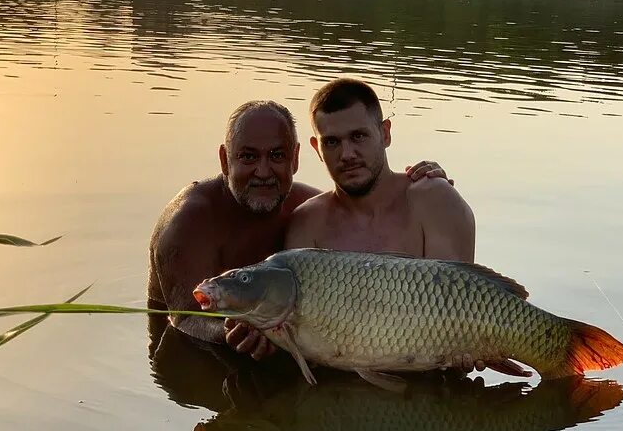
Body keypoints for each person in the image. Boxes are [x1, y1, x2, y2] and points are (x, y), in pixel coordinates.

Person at [148, 99, 449, 359]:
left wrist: (425, 189)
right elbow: (184, 318)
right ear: (225, 160)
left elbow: (372, 241)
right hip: (196, 351)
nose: (263, 172)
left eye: (277, 156)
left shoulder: (309, 209)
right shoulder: (189, 220)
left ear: (294, 159)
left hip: (282, 338)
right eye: (248, 156)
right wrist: (230, 332)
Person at [284, 78, 529, 377]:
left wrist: (467, 352)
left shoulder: (434, 200)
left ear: (385, 133)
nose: (347, 154)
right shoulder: (306, 224)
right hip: (340, 394)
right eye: (332, 142)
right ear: (316, 148)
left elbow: (462, 314)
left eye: (359, 136)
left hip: (426, 384)